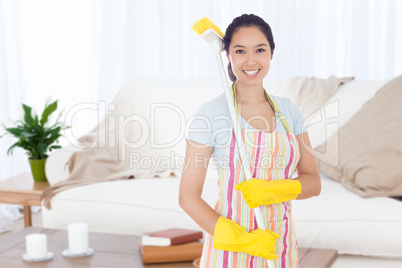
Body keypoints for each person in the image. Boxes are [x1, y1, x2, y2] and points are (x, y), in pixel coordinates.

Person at [179, 14, 321, 267]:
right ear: (228, 56)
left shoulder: (289, 111)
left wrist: (275, 190)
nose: (251, 60)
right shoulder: (211, 114)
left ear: (271, 54)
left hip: (278, 246)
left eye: (260, 50)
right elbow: (188, 197)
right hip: (230, 252)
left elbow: (313, 182)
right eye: (240, 51)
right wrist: (241, 239)